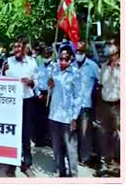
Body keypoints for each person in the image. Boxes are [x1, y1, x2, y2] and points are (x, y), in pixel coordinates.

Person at [3, 36, 38, 177]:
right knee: (13, 132)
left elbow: (37, 82)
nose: (16, 49)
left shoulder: (32, 62)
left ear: (24, 48)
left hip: (27, 101)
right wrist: (2, 71)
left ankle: (27, 163)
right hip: (12, 103)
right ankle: (11, 163)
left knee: (25, 132)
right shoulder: (8, 61)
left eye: (19, 46)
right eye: (15, 46)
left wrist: (30, 82)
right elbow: (2, 81)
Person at [47, 46, 81, 177]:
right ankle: (61, 171)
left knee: (71, 148)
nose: (62, 62)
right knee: (56, 146)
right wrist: (49, 85)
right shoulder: (54, 71)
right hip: (54, 114)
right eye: (61, 59)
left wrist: (74, 117)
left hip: (68, 117)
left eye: (65, 59)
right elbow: (50, 92)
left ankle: (73, 174)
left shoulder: (75, 73)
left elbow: (78, 97)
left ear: (71, 59)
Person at [94, 33, 120, 177]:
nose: (109, 47)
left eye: (111, 44)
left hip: (119, 106)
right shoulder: (104, 66)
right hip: (105, 106)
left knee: (119, 137)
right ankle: (105, 165)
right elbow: (100, 86)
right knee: (104, 135)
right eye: (108, 44)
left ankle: (118, 166)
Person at [73, 41, 100, 166]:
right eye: (77, 51)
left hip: (86, 104)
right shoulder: (71, 65)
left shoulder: (92, 66)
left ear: (85, 52)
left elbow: (101, 81)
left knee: (85, 133)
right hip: (72, 105)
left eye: (81, 51)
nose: (79, 54)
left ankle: (84, 157)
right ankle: (73, 155)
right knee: (72, 131)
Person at [34, 46, 54, 147]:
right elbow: (36, 82)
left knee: (49, 119)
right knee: (39, 119)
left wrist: (49, 95)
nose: (46, 55)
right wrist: (38, 94)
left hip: (51, 95)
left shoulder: (55, 67)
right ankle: (39, 140)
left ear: (52, 55)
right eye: (45, 54)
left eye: (48, 53)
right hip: (40, 95)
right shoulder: (40, 68)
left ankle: (49, 139)